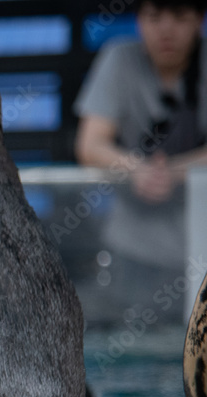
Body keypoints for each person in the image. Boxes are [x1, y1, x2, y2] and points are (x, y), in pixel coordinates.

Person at [75, 0, 207, 322]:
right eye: (154, 16)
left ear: (199, 20)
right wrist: (138, 170)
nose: (166, 29)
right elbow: (89, 144)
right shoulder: (119, 57)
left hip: (201, 251)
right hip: (131, 252)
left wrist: (175, 173)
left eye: (178, 16)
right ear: (138, 21)